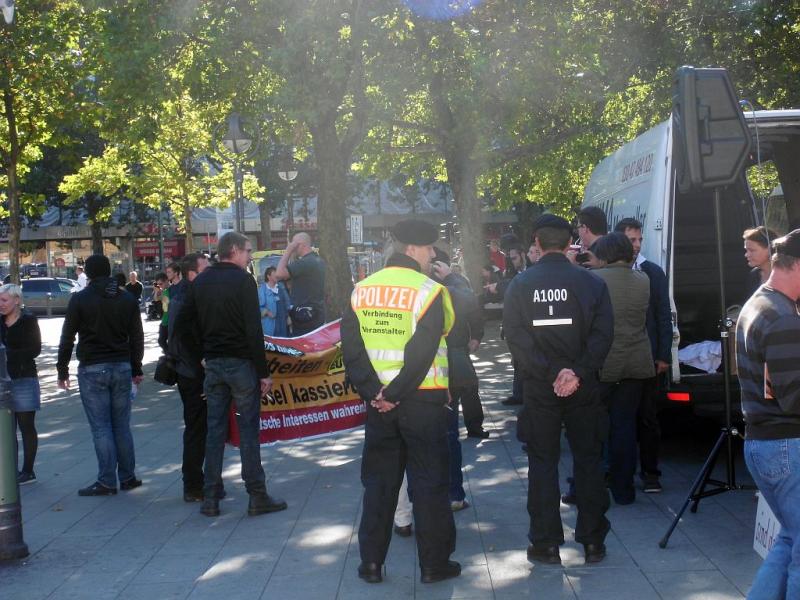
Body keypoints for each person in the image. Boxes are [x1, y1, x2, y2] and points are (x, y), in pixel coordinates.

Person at [342, 218, 460, 585]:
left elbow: (352, 350)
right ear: (412, 249)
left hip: (378, 406)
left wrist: (375, 393)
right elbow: (423, 352)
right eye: (429, 250)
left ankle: (371, 564)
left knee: (378, 484)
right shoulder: (430, 291)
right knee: (429, 483)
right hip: (422, 402)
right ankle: (434, 565)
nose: (431, 257)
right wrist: (394, 393)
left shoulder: (361, 290)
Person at [503, 214, 613, 566]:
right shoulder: (592, 283)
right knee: (589, 461)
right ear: (569, 244)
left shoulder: (519, 286)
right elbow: (602, 337)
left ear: (536, 242)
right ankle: (593, 541)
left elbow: (516, 339)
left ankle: (545, 542)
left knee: (542, 463)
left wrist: (552, 372)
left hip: (539, 388)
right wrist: (576, 372)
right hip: (584, 388)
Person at [174, 232, 286, 518]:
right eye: (248, 251)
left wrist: (201, 354)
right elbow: (253, 329)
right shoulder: (242, 280)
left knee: (215, 432)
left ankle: (210, 497)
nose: (250, 256)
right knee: (248, 431)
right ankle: (256, 495)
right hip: (241, 365)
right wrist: (264, 372)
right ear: (234, 250)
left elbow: (183, 325)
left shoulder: (202, 281)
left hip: (214, 365)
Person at [736, 229, 800, 600]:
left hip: (764, 442)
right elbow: (795, 398)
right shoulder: (783, 317)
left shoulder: (757, 303)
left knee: (791, 537)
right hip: (787, 445)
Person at [57, 254, 144, 496]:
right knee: (122, 426)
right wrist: (136, 367)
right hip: (121, 365)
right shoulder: (126, 298)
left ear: (90, 274)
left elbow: (67, 337)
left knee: (101, 427)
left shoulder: (80, 299)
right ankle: (127, 477)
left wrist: (62, 369)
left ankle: (106, 480)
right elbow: (137, 336)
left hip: (93, 367)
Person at [591, 233, 654, 505]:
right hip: (637, 359)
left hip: (604, 362)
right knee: (625, 426)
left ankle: (590, 484)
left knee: (595, 428)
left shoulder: (595, 281)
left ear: (604, 255)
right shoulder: (643, 279)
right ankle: (624, 489)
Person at [615, 217, 672, 493]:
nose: (636, 245)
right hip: (618, 360)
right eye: (631, 240)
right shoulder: (609, 272)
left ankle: (651, 472)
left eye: (639, 240)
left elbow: (663, 315)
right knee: (621, 418)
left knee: (649, 417)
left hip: (648, 358)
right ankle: (619, 471)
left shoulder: (653, 272)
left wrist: (663, 355)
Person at [167, 252, 210, 502]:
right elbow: (183, 335)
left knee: (199, 428)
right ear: (192, 273)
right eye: (205, 270)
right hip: (192, 373)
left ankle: (199, 481)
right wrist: (201, 364)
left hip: (188, 370)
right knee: (197, 429)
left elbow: (167, 335)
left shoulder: (181, 294)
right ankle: (193, 484)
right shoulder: (188, 297)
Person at [0, 284, 42, 485]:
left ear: (17, 300)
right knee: (6, 428)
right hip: (3, 380)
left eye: (4, 300)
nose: (1, 304)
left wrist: (6, 355)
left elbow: (34, 349)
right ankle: (10, 470)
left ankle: (27, 471)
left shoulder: (28, 320)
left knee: (26, 425)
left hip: (24, 378)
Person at [275, 232, 326, 336]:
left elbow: (279, 274)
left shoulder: (304, 263)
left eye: (294, 244)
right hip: (317, 313)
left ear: (301, 244)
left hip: (304, 315)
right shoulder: (318, 260)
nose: (293, 247)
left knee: (302, 349)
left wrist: (288, 250)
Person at [743, 226, 778, 298]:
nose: (746, 255)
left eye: (752, 250)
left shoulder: (787, 274)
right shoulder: (754, 275)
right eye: (746, 250)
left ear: (770, 249)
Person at [258, 266, 291, 337]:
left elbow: (287, 302)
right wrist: (266, 311)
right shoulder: (262, 289)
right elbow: (258, 307)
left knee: (283, 343)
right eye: (274, 274)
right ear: (268, 276)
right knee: (273, 344)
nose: (277, 275)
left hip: (282, 322)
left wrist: (288, 316)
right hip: (270, 324)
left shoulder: (280, 287)